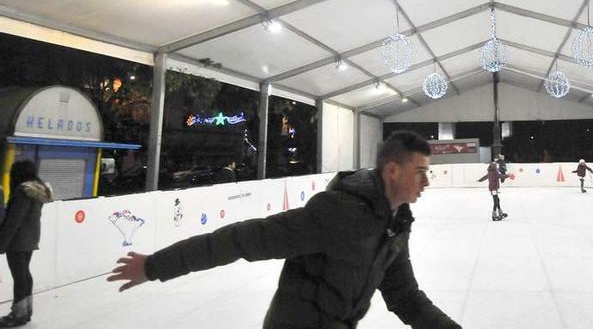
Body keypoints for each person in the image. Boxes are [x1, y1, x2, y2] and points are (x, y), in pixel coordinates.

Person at [107, 131, 461, 329]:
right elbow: (241, 239)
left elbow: (405, 298)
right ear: (393, 171)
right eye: (421, 172)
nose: (427, 181)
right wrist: (154, 266)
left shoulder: (395, 224)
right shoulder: (336, 213)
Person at [0, 160, 54, 327]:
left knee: (20, 276)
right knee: (24, 274)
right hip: (29, 239)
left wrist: (1, 243)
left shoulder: (23, 192)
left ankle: (18, 315)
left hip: (17, 241)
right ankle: (26, 311)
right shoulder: (35, 191)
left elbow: (13, 221)